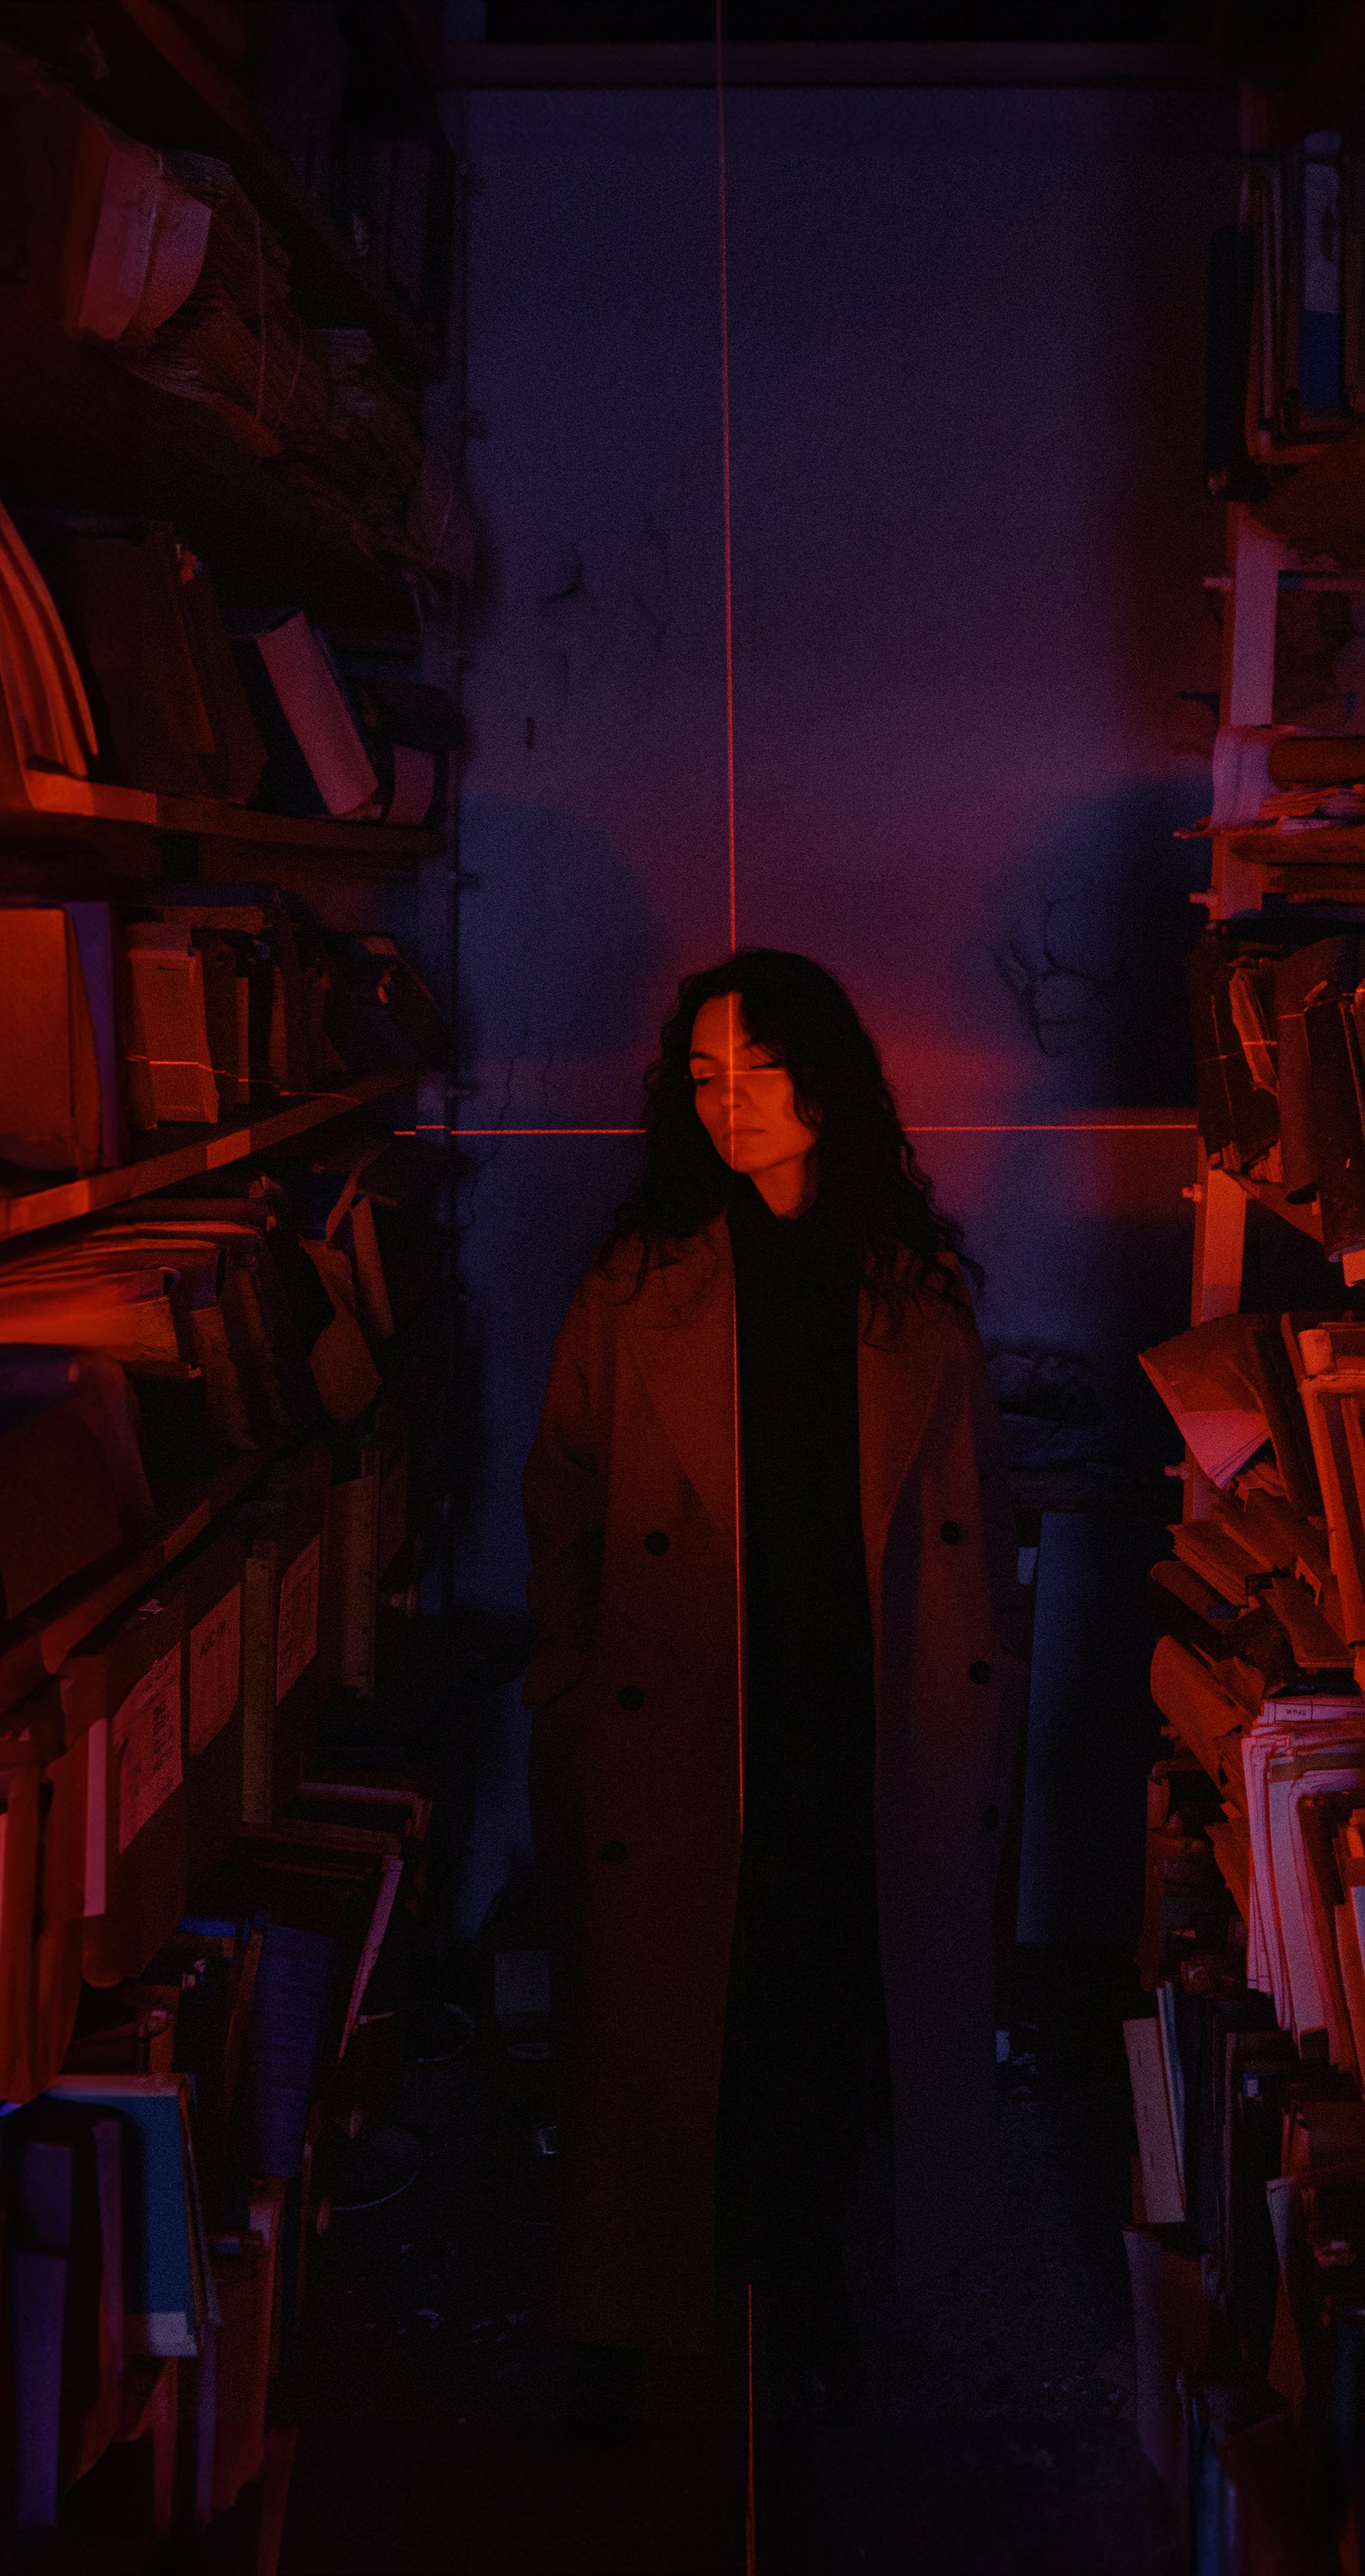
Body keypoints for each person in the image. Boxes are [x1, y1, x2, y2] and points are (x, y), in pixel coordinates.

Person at [520, 948, 1027, 2439]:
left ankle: (803, 2280)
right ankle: (630, 2306)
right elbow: (561, 1497)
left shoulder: (909, 1286)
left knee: (823, 1996)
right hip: (677, 1703)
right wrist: (569, 1673)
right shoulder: (641, 1280)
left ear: (828, 1080)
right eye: (703, 1077)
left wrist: (976, 1669)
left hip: (860, 1706)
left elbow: (980, 1504)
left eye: (761, 1069)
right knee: (670, 2004)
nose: (730, 1103)